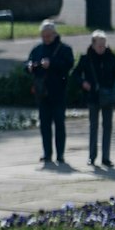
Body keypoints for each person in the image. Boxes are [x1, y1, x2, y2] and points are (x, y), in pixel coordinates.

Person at [26, 21, 74, 165]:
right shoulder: (38, 49)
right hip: (42, 93)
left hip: (58, 92)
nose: (46, 38)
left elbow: (68, 65)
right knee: (45, 125)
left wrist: (51, 63)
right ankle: (47, 154)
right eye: (43, 36)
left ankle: (60, 154)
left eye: (48, 36)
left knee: (59, 124)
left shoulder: (64, 49)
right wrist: (29, 66)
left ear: (54, 34)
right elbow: (28, 63)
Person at [75, 29, 115, 169]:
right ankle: (92, 156)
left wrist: (114, 89)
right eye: (99, 45)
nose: (102, 48)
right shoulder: (85, 58)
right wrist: (83, 83)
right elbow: (75, 74)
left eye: (104, 45)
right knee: (93, 127)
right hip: (93, 97)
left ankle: (106, 157)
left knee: (108, 127)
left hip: (107, 96)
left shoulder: (111, 57)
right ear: (93, 45)